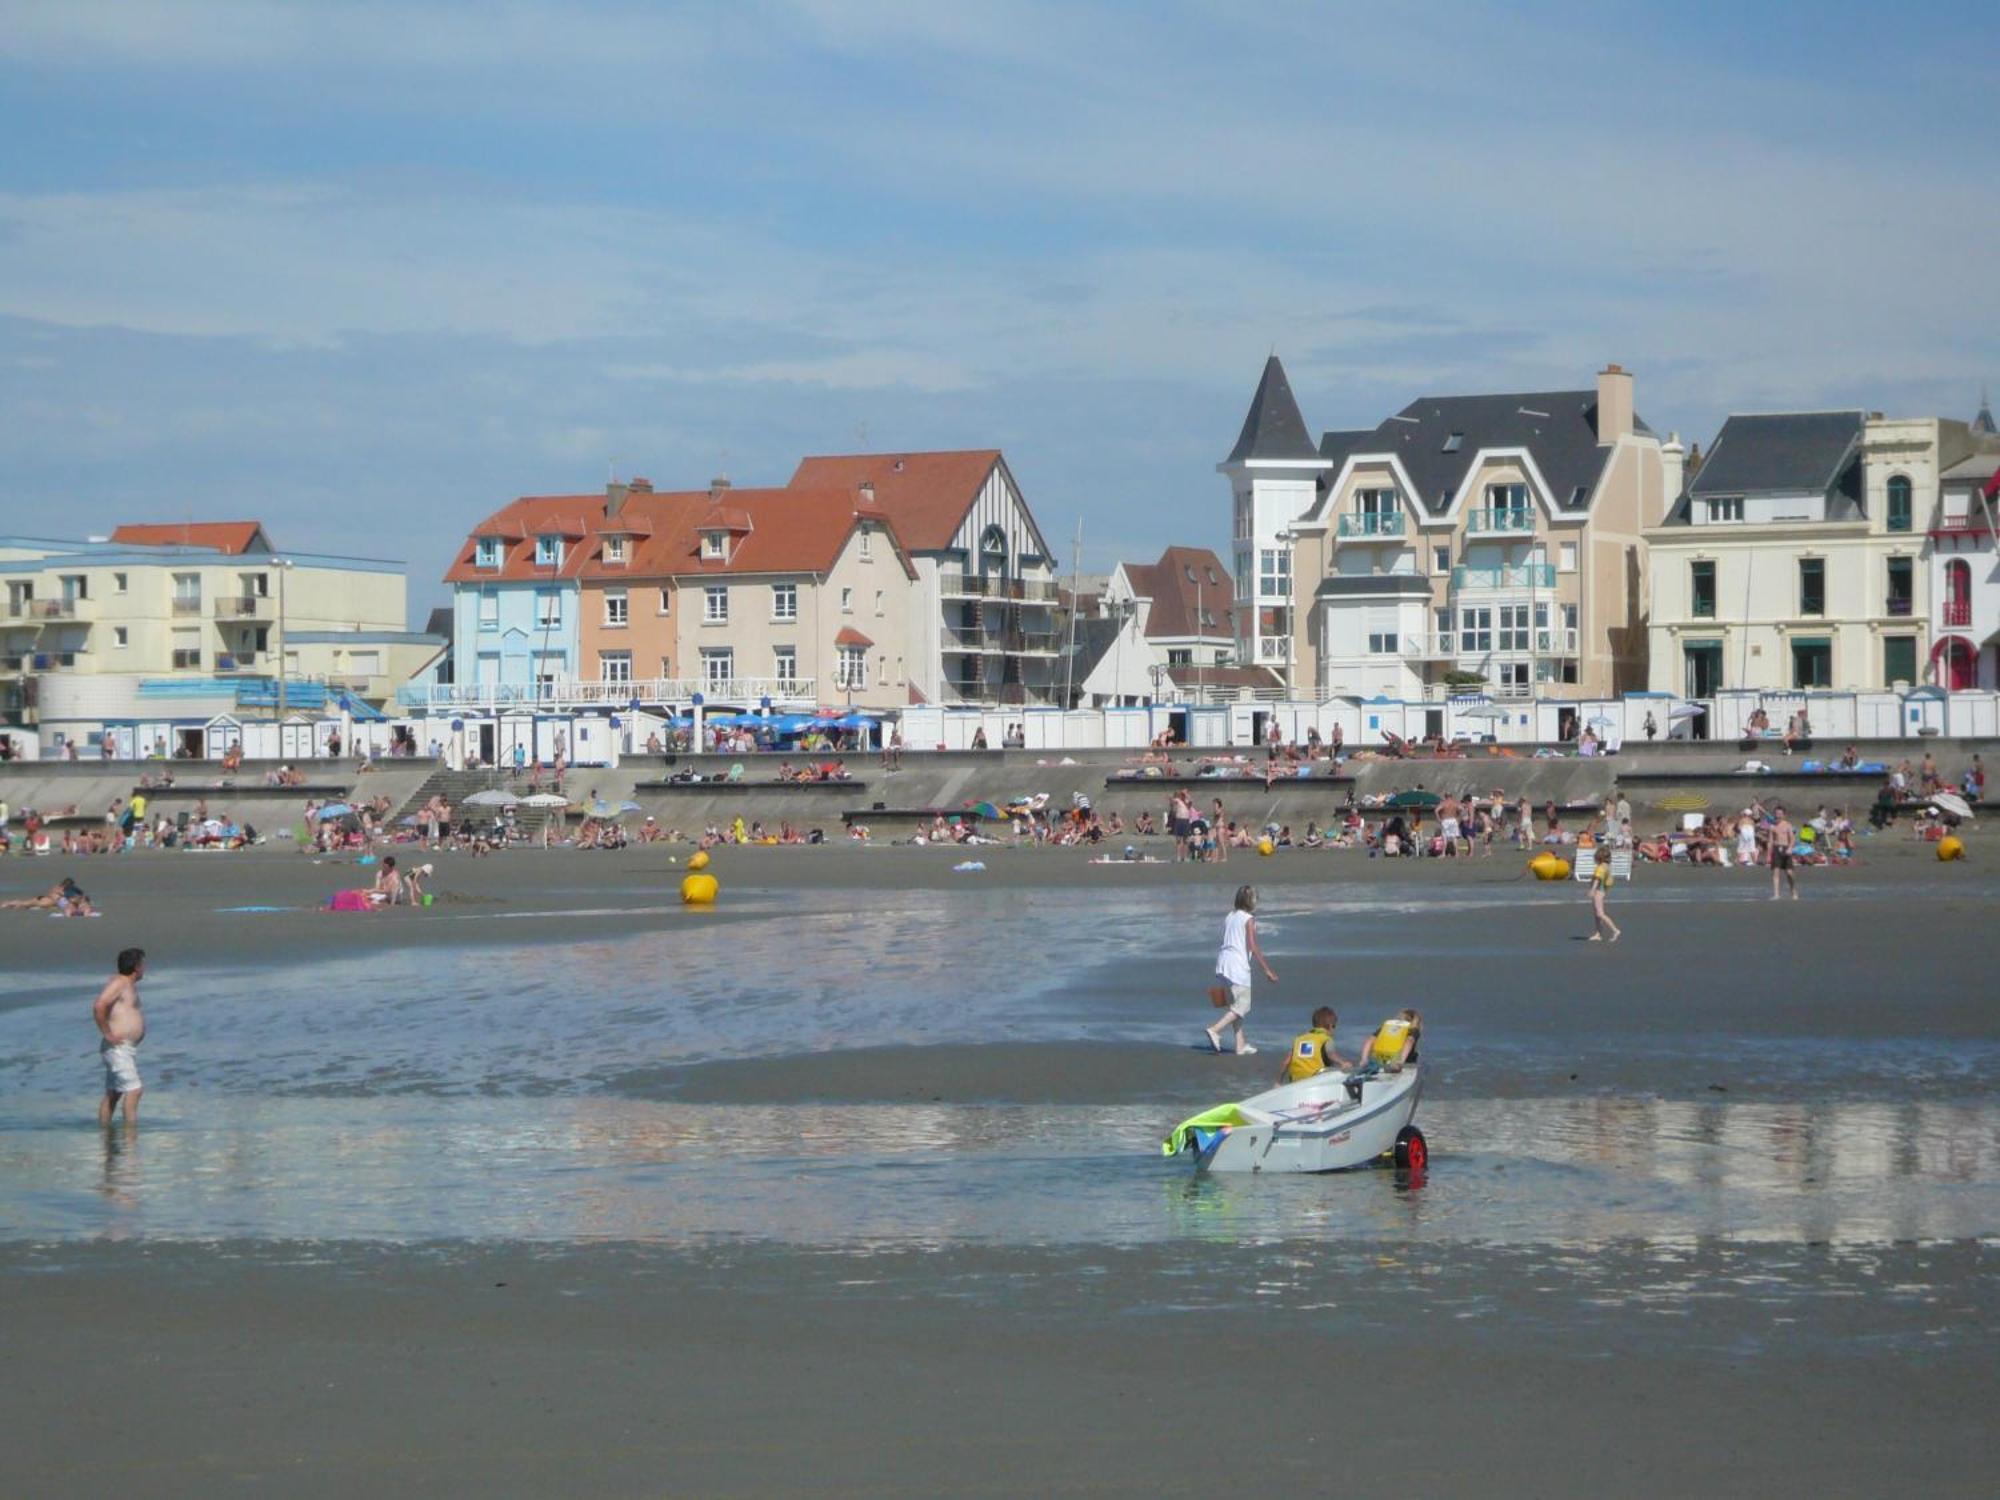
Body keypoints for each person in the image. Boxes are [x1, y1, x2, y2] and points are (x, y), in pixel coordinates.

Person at [1204, 885, 1275, 1056]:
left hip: (1223, 963)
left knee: (1236, 1005)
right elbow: (1252, 945)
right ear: (1250, 902)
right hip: (1237, 966)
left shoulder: (1231, 915)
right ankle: (1215, 1029)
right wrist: (1267, 970)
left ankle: (1240, 1044)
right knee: (1242, 1006)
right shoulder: (1249, 919)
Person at [93, 948, 147, 1126]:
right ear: (136, 967)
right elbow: (99, 1005)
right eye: (143, 964)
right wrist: (107, 1033)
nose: (145, 968)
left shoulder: (127, 985)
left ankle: (106, 1136)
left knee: (114, 1093)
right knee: (135, 1090)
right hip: (117, 1048)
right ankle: (130, 1143)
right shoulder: (120, 983)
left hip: (125, 1048)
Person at [1278, 1006, 1352, 1085]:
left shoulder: (1300, 1039)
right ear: (1331, 1026)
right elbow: (1331, 1054)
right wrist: (1343, 1063)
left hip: (1296, 1080)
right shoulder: (1325, 1038)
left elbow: (1286, 1062)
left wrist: (1278, 1082)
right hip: (1315, 1078)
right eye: (1334, 1026)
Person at [1357, 1009, 1422, 1074]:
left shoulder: (1386, 1028)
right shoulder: (1413, 1030)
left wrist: (1364, 1059)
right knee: (1415, 1054)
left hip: (1379, 1060)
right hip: (1399, 1062)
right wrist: (1401, 1061)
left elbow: (1369, 1040)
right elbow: (1409, 1042)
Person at [1586, 854, 1621, 943]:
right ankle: (1598, 934)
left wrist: (1592, 890)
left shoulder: (1601, 868)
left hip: (1599, 892)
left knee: (1600, 913)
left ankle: (1615, 930)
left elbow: (1597, 880)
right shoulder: (1606, 866)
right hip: (1602, 891)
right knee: (1596, 914)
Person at [1771, 806, 1798, 900]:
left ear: (1783, 815)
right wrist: (1768, 854)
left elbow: (1792, 838)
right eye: (1776, 814)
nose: (1778, 816)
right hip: (1776, 849)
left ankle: (1793, 890)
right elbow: (1770, 841)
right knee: (1776, 872)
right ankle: (1776, 894)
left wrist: (1790, 848)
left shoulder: (1788, 825)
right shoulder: (1772, 826)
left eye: (1780, 814)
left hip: (1786, 849)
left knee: (1789, 873)